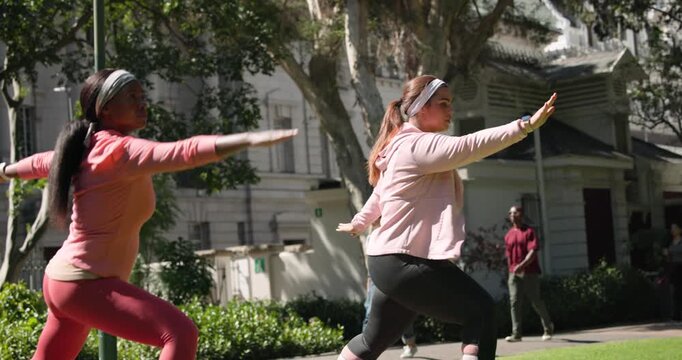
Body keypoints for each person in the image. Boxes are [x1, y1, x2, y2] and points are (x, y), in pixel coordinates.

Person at [0, 69, 297, 360]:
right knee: (179, 333)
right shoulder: (118, 150)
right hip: (84, 283)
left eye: (143, 96)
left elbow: (44, 162)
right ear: (105, 109)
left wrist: (4, 172)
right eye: (132, 97)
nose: (142, 103)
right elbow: (183, 152)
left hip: (64, 281)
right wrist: (246, 140)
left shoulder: (87, 147)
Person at [335, 74, 557, 360]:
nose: (450, 110)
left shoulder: (399, 144)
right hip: (405, 261)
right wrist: (524, 125)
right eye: (443, 103)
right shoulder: (418, 146)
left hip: (384, 262)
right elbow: (470, 145)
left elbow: (380, 194)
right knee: (481, 311)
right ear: (421, 107)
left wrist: (360, 222)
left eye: (450, 103)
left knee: (370, 341)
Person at [503, 205, 554, 342]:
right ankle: (516, 334)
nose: (513, 215)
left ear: (521, 214)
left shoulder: (529, 232)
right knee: (514, 302)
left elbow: (532, 251)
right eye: (511, 213)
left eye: (516, 212)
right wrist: (511, 270)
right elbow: (508, 255)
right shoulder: (509, 235)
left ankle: (548, 328)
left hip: (529, 271)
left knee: (535, 301)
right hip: (514, 273)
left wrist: (522, 265)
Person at [664, 223, 682, 321]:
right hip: (674, 268)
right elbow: (668, 256)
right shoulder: (670, 242)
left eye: (675, 228)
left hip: (681, 266)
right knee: (675, 292)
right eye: (672, 228)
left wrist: (670, 251)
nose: (673, 230)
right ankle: (676, 314)